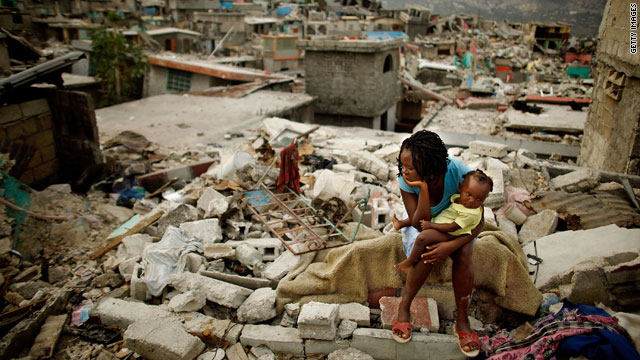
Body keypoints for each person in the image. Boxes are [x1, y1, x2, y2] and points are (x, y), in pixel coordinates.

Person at [390, 130, 484, 358]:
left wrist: (451, 246)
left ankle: (461, 321)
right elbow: (418, 223)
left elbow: (479, 221)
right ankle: (404, 307)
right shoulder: (407, 180)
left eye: (410, 166)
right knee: (425, 249)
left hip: (455, 224)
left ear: (430, 164)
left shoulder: (461, 174)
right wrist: (421, 188)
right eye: (403, 165)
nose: (404, 171)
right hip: (426, 224)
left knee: (464, 255)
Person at [393, 169, 493, 271]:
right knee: (420, 217)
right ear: (460, 187)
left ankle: (410, 261)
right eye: (469, 195)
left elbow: (452, 227)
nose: (472, 201)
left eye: (479, 199)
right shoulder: (458, 198)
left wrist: (431, 225)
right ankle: (401, 223)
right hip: (442, 222)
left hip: (451, 233)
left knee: (422, 238)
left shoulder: (471, 213)